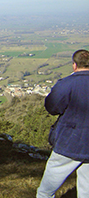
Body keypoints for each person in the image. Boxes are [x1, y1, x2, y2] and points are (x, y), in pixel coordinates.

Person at [37, 49, 89, 198]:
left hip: (69, 142)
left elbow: (52, 107)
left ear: (74, 65)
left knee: (46, 191)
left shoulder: (66, 84)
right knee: (86, 190)